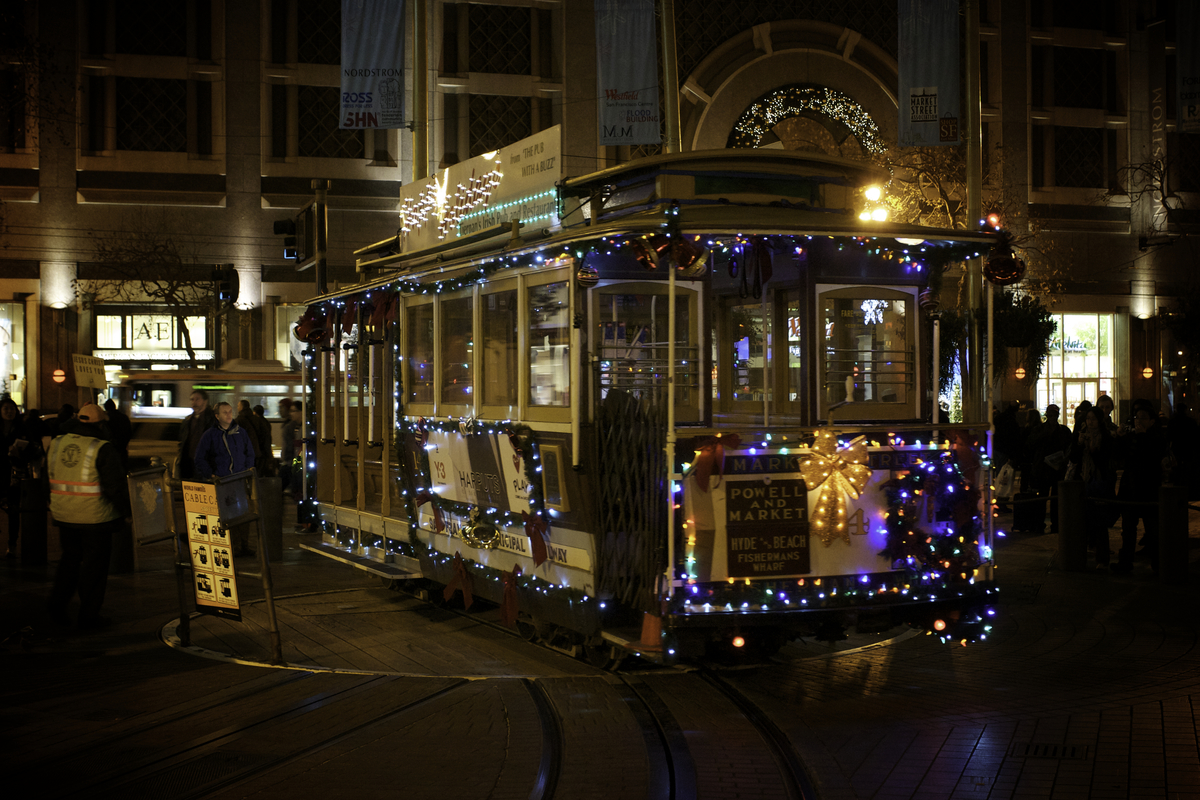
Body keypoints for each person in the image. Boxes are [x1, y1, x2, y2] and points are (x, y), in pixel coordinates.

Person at [46, 404, 131, 629]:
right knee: (94, 569)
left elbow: (49, 477)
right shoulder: (102, 448)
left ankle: (57, 607)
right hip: (96, 518)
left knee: (69, 562)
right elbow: (115, 488)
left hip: (64, 515)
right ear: (101, 424)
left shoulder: (57, 443)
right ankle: (89, 617)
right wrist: (126, 512)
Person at [1111, 403, 1168, 574]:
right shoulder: (1130, 435)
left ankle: (1159, 563)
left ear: (1152, 421)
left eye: (1143, 417)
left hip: (1149, 489)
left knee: (1153, 529)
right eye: (1137, 417)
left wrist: (1143, 437)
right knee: (1128, 529)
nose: (1139, 421)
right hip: (1130, 489)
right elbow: (1118, 456)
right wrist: (1119, 437)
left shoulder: (1157, 437)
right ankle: (1125, 562)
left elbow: (1152, 458)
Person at [194, 402, 256, 556]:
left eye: (230, 411)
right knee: (229, 515)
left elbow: (250, 453)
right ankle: (233, 547)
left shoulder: (241, 433)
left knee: (244, 514)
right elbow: (199, 458)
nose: (229, 415)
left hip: (240, 479)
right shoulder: (210, 435)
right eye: (225, 412)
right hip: (223, 481)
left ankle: (244, 546)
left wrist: (247, 470)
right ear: (217, 416)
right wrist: (211, 474)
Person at [1068, 406, 1118, 568]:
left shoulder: (1106, 437)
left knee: (1100, 522)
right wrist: (1079, 444)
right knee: (1082, 521)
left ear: (1099, 420)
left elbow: (1104, 461)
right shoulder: (1081, 435)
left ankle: (1102, 559)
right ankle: (1080, 555)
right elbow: (1073, 458)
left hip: (1099, 482)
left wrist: (1092, 448)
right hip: (1082, 481)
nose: (1090, 422)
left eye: (1093, 419)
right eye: (1088, 419)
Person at [1024, 404, 1072, 533]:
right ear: (1046, 415)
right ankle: (1039, 524)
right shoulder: (1039, 429)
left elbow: (1069, 447)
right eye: (1050, 415)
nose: (1052, 417)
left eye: (1054, 415)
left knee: (1057, 499)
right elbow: (1030, 444)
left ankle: (1056, 524)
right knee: (1042, 499)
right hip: (1043, 469)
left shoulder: (1063, 431)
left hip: (1057, 469)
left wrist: (1064, 460)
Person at [1, 397, 25, 557]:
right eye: (6, 409)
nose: (9, 412)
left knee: (14, 510)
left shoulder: (21, 428)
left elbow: (31, 449)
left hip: (15, 475)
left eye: (12, 409)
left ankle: (12, 544)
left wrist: (19, 452)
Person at [178, 390, 216, 480]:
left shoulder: (213, 420)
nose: (194, 402)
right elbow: (182, 441)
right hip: (189, 464)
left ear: (205, 401)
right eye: (192, 399)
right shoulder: (188, 420)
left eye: (197, 399)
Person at [237, 400, 274, 476]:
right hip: (258, 454)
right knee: (257, 476)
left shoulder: (239, 421)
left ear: (241, 407)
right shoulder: (258, 420)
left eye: (238, 406)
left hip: (246, 455)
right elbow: (266, 437)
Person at [102, 398, 132, 468]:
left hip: (111, 449)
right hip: (122, 449)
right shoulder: (124, 417)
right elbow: (129, 432)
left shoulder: (106, 419)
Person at [280, 400, 301, 496]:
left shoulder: (292, 427)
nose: (291, 413)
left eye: (293, 411)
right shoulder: (294, 426)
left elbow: (290, 446)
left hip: (292, 464)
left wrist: (288, 461)